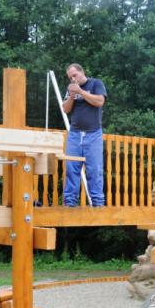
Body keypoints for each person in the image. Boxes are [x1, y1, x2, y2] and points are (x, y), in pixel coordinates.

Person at [62, 63, 107, 206]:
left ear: (82, 72)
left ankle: (98, 204)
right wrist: (71, 96)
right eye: (70, 77)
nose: (73, 79)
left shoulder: (96, 83)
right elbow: (65, 109)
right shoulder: (71, 89)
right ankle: (70, 204)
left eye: (74, 75)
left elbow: (100, 101)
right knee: (71, 168)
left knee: (94, 169)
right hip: (75, 134)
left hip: (93, 134)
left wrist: (80, 92)